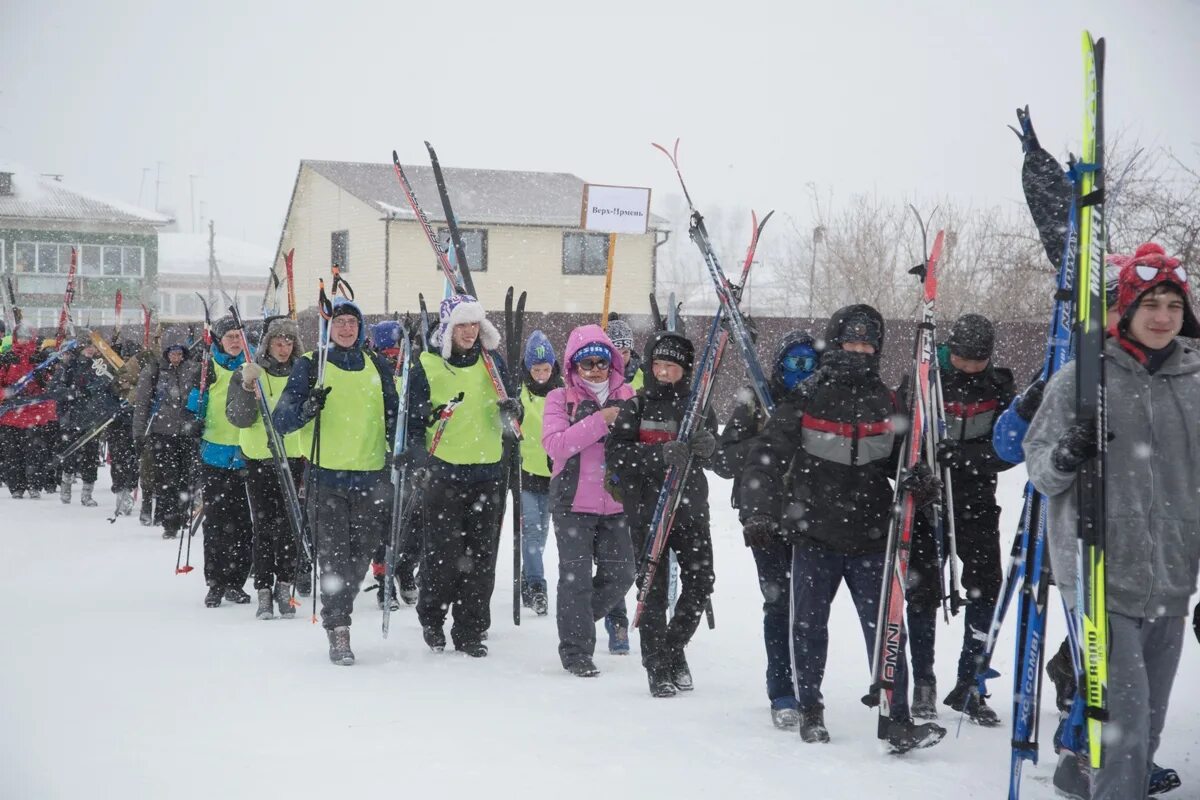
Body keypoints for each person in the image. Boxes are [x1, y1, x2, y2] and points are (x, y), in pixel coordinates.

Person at [1025, 243, 1200, 800]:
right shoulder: (1083, 379)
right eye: (1151, 302)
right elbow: (1041, 473)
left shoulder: (1196, 384)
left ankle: (1081, 774)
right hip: (1099, 574)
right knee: (1124, 725)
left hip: (1173, 576)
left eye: (1174, 304)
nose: (1162, 316)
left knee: (1147, 719)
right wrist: (1067, 454)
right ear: (1125, 308)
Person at [739, 304, 946, 753]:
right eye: (851, 342)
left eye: (868, 344)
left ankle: (898, 718)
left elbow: (899, 460)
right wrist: (758, 511)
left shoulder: (888, 401)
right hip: (814, 535)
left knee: (888, 630)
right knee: (809, 627)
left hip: (873, 538)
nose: (859, 350)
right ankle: (810, 709)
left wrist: (919, 481)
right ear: (835, 343)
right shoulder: (808, 397)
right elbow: (765, 459)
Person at [903, 313, 1015, 725]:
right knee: (923, 590)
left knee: (987, 585)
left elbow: (1008, 447)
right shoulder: (924, 378)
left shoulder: (999, 386)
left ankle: (971, 681)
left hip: (977, 502)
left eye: (979, 360)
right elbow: (901, 440)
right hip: (929, 502)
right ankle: (924, 681)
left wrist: (966, 457)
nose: (971, 367)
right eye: (965, 359)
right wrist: (921, 470)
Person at [274, 298, 398, 664]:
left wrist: (411, 445)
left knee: (359, 557)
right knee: (333, 555)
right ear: (331, 327)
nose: (347, 329)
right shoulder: (311, 365)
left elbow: (394, 414)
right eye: (341, 322)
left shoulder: (377, 364)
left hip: (371, 474)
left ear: (361, 328)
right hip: (326, 476)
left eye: (352, 323)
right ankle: (338, 628)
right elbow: (282, 420)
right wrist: (307, 408)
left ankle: (339, 607)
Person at [712, 330, 818, 730]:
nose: (801, 373)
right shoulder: (755, 398)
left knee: (808, 608)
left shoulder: (822, 400)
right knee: (779, 602)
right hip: (764, 517)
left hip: (813, 516)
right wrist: (769, 443)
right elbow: (723, 460)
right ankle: (782, 689)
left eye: (809, 364)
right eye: (794, 363)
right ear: (778, 366)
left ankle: (810, 686)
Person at [606, 329, 717, 697]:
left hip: (690, 508)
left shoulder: (699, 407)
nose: (664, 373)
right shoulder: (636, 406)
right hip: (648, 508)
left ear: (684, 371)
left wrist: (707, 447)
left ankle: (673, 649)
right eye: (658, 365)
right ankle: (656, 665)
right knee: (651, 589)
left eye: (672, 367)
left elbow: (719, 458)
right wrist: (659, 454)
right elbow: (616, 453)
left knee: (700, 582)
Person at [404, 294, 516, 658]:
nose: (469, 332)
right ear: (449, 329)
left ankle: (470, 628)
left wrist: (514, 413)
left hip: (488, 471)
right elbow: (413, 424)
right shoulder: (429, 365)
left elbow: (511, 421)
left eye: (474, 325)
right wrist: (421, 459)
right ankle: (433, 618)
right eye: (462, 325)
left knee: (481, 556)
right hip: (444, 472)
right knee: (443, 554)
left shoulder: (493, 363)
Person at [542, 324, 636, 676]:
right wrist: (599, 421)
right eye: (586, 363)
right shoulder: (559, 398)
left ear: (612, 362)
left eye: (601, 362)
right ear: (573, 367)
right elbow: (555, 445)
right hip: (572, 501)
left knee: (622, 573)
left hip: (617, 502)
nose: (595, 369)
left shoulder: (629, 395)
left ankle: (577, 618)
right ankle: (577, 651)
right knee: (575, 579)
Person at [226, 316, 310, 621]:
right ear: (267, 343)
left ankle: (284, 585)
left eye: (289, 341)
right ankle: (263, 588)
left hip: (292, 457)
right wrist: (248, 387)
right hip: (259, 458)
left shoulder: (302, 373)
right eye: (278, 341)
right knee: (263, 526)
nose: (284, 347)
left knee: (290, 526)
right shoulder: (249, 372)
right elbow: (239, 417)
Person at [186, 317, 254, 608]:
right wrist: (192, 422)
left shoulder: (251, 366)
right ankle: (215, 582)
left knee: (243, 524)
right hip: (214, 454)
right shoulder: (206, 369)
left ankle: (236, 582)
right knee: (216, 522)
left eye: (239, 336)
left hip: (246, 454)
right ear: (218, 340)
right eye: (229, 337)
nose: (235, 341)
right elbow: (192, 407)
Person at [133, 332, 197, 539]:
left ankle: (182, 514)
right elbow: (142, 404)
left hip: (187, 433)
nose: (176, 357)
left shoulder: (193, 370)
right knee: (167, 478)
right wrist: (139, 433)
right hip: (162, 432)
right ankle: (169, 521)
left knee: (186, 477)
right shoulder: (154, 371)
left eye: (179, 353)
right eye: (172, 353)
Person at [518, 329, 563, 616]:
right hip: (525, 475)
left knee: (542, 535)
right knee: (531, 535)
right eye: (536, 369)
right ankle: (537, 586)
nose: (541, 374)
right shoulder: (519, 393)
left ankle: (527, 578)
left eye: (546, 368)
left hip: (554, 476)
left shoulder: (562, 393)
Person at [49, 340, 122, 507]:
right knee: (70, 454)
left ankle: (87, 493)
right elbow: (55, 388)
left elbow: (109, 387)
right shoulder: (69, 366)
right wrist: (72, 392)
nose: (91, 350)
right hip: (72, 418)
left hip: (94, 419)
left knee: (90, 457)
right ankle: (65, 486)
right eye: (88, 346)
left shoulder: (101, 366)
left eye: (93, 347)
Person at [0, 324, 57, 499]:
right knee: (12, 453)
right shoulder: (7, 358)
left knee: (35, 452)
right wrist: (6, 394)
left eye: (27, 337)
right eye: (21, 337)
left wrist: (42, 380)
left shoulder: (39, 358)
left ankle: (34, 485)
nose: (24, 340)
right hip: (11, 412)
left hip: (34, 411)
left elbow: (50, 384)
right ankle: (16, 486)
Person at [606, 315, 643, 391]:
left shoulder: (644, 375)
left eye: (625, 352)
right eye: (616, 352)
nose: (621, 357)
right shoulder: (596, 374)